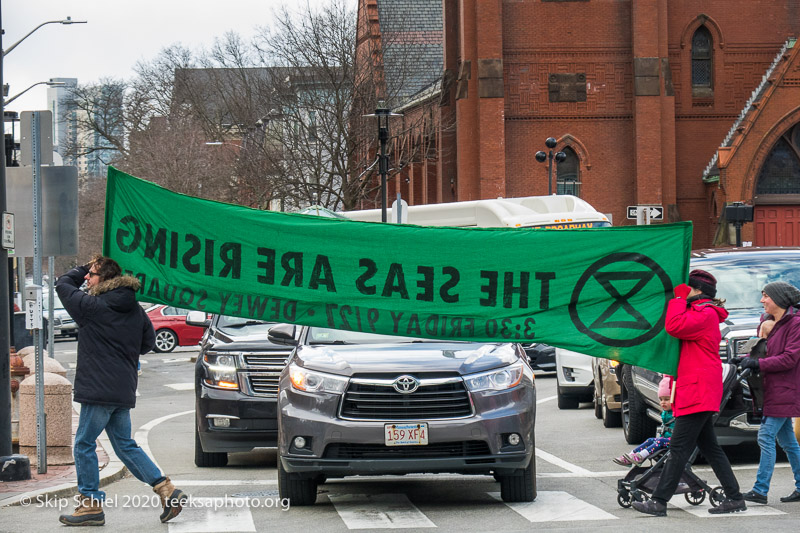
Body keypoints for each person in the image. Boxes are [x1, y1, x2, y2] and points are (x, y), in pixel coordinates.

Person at [55, 256, 188, 526]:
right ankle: (166, 490)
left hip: (97, 389)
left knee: (83, 444)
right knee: (124, 444)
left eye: (91, 275)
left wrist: (83, 266)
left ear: (103, 279)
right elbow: (148, 342)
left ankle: (90, 504)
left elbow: (62, 283)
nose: (86, 279)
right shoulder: (136, 309)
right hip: (123, 388)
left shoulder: (91, 306)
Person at [632, 269, 745, 516]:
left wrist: (677, 299)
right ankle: (735, 497)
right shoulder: (701, 312)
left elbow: (674, 326)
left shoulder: (705, 314)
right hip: (697, 388)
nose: (684, 291)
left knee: (678, 449)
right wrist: (680, 301)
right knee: (711, 449)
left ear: (698, 291)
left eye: (688, 288)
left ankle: (659, 501)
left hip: (698, 390)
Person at [735, 281, 800, 505]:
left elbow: (790, 359)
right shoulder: (771, 323)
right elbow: (763, 352)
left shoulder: (796, 325)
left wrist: (757, 365)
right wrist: (745, 360)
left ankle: (760, 490)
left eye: (765, 296)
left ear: (779, 300)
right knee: (789, 442)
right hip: (770, 389)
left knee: (765, 436)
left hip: (785, 389)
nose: (762, 300)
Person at [613, 376, 674, 466]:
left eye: (666, 399)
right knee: (650, 440)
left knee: (659, 442)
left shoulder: (675, 413)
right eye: (661, 399)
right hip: (667, 439)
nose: (663, 402)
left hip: (674, 441)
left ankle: (640, 457)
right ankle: (631, 456)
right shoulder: (665, 413)